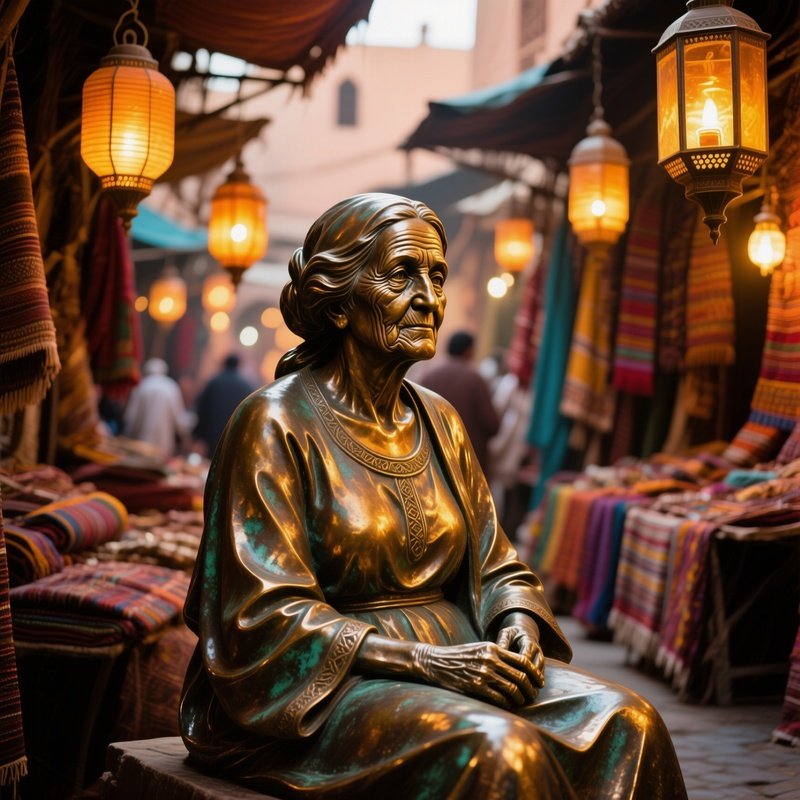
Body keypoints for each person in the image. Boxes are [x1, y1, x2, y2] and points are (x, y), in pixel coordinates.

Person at [180, 193, 687, 799]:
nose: (428, 297)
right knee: (500, 751)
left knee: (629, 723)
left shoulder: (440, 420)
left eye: (437, 275)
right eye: (401, 274)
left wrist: (515, 622)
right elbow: (260, 614)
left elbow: (495, 561)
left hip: (461, 654)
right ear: (337, 302)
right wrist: (425, 662)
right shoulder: (274, 422)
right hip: (321, 686)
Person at [420, 330, 500, 477]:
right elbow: (491, 425)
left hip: (429, 458)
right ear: (469, 350)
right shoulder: (475, 380)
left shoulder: (429, 376)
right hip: (464, 463)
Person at [123, 357, 193, 457]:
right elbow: (180, 421)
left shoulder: (141, 386)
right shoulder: (171, 387)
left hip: (139, 444)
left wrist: (127, 439)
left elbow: (130, 417)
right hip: (163, 446)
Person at [193, 353, 255, 456]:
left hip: (212, 436)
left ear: (224, 364)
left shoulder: (214, 382)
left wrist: (198, 435)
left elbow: (202, 409)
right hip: (233, 438)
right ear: (238, 365)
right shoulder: (246, 387)